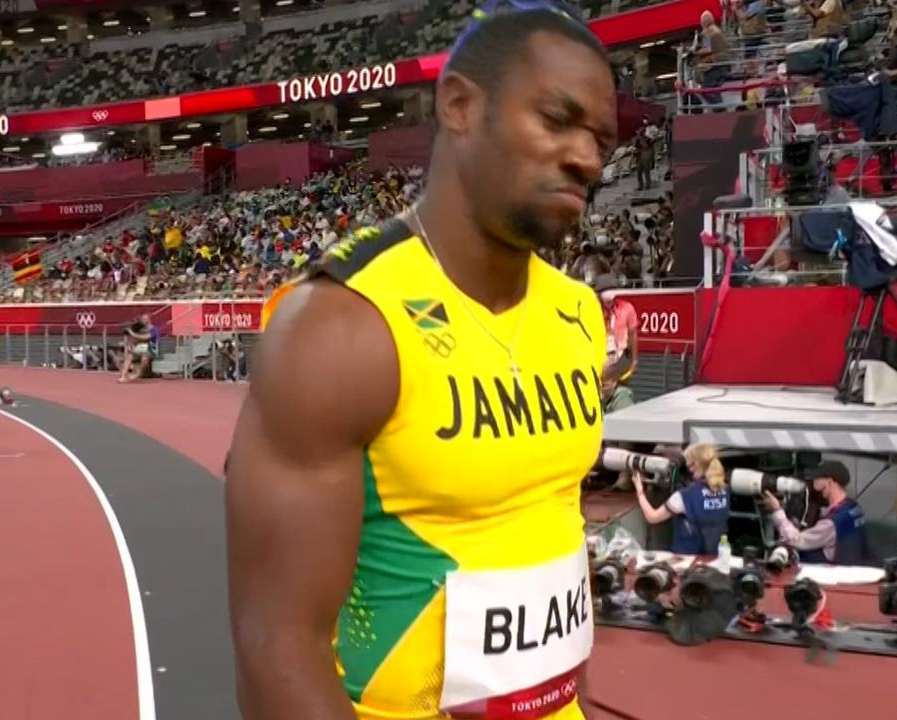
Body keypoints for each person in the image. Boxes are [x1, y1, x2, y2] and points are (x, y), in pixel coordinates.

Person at [223, 4, 617, 719]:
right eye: (558, 120)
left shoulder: (578, 314)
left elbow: (551, 541)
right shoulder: (343, 328)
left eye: (600, 139)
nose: (587, 158)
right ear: (462, 106)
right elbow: (275, 645)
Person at [761, 460, 869, 565]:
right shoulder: (853, 507)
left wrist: (777, 511)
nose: (813, 482)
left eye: (817, 478)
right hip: (853, 566)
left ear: (829, 482)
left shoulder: (831, 523)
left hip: (831, 576)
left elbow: (796, 540)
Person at [630, 443, 729, 555]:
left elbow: (652, 517)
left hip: (687, 559)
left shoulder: (685, 496)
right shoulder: (724, 491)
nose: (688, 469)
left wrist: (639, 491)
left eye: (689, 465)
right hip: (715, 556)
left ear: (695, 464)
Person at [597, 277, 638, 383]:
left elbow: (633, 335)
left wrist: (634, 361)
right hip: (601, 361)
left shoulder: (627, 308)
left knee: (622, 391)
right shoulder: (595, 311)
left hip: (621, 359)